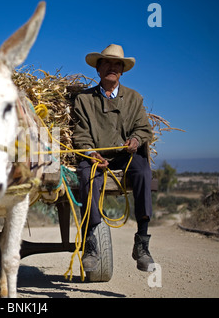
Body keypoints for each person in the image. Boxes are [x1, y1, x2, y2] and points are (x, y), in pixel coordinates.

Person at [72, 44, 155, 272]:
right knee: (87, 176)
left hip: (124, 156)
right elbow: (80, 134)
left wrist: (136, 141)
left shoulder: (134, 98)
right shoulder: (83, 100)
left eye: (117, 64)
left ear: (122, 71)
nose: (112, 67)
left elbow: (143, 128)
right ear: (98, 69)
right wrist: (91, 153)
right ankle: (91, 244)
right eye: (107, 63)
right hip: (95, 157)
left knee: (143, 172)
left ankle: (142, 244)